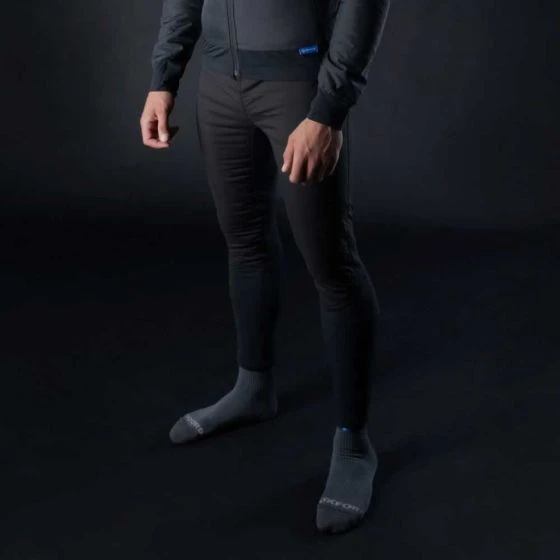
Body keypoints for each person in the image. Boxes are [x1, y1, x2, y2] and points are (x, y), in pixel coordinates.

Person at [140, 0, 391, 535]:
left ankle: (354, 443)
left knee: (333, 266)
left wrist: (328, 109)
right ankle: (253, 389)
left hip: (298, 87)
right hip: (220, 85)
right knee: (245, 243)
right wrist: (164, 77)